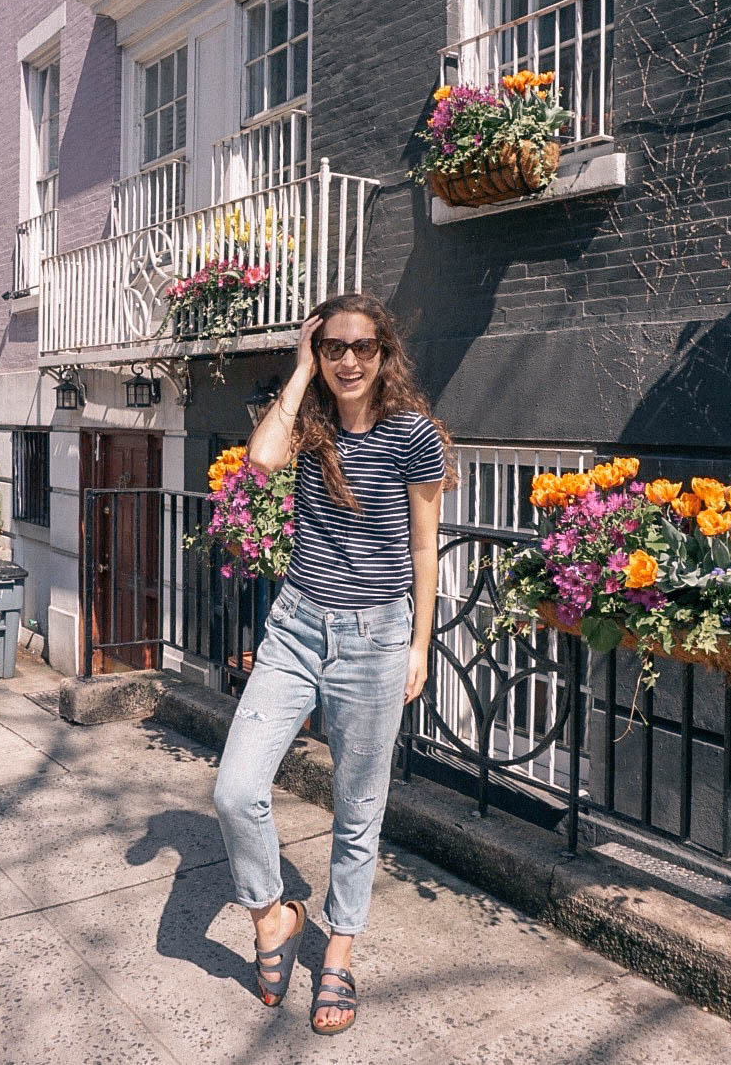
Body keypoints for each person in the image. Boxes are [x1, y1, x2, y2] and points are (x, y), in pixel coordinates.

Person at [213, 291, 454, 1036]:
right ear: (319, 352)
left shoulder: (412, 434)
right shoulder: (310, 426)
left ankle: (339, 952)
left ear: (384, 354)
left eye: (362, 347)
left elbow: (423, 544)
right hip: (295, 627)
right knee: (235, 789)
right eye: (333, 347)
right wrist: (294, 371)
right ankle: (274, 916)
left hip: (377, 638)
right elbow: (259, 461)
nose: (348, 360)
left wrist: (419, 646)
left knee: (358, 811)